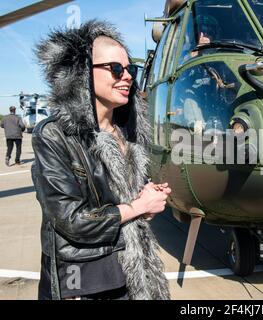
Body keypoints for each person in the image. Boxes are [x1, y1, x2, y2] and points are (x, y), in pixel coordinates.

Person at [33, 20, 171, 300]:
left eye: (130, 69)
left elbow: (121, 204)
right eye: (116, 69)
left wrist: (147, 201)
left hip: (136, 272)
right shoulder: (53, 135)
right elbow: (72, 220)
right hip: (88, 281)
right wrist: (137, 206)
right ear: (83, 73)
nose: (128, 76)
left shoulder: (128, 134)